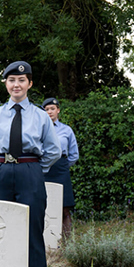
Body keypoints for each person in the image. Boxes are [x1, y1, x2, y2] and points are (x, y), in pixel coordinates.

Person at [0, 61, 61, 267]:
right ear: (5, 83)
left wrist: (34, 168)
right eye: (12, 80)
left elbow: (53, 150)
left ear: (30, 84)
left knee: (32, 232)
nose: (17, 84)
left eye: (22, 80)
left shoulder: (40, 116)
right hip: (1, 172)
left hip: (30, 172)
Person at [42, 97, 79, 239]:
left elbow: (74, 155)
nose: (50, 112)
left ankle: (67, 244)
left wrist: (62, 165)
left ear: (58, 110)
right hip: (43, 169)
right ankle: (45, 241)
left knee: (65, 208)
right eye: (46, 110)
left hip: (61, 169)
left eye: (52, 109)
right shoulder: (39, 130)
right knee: (42, 206)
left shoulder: (67, 130)